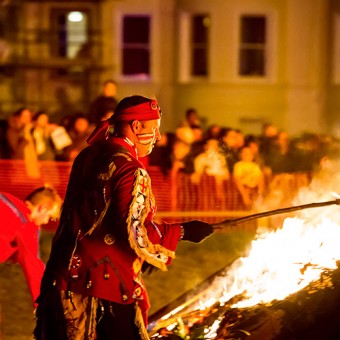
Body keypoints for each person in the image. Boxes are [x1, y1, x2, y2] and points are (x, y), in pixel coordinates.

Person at [34, 95, 214, 340]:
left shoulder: (88, 156)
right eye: (155, 129)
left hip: (63, 275)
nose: (158, 137)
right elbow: (136, 232)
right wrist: (183, 232)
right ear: (137, 126)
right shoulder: (130, 169)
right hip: (104, 287)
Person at [0, 186, 62, 307]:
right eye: (48, 217)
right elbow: (33, 267)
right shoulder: (26, 226)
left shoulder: (5, 197)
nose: (45, 222)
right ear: (42, 208)